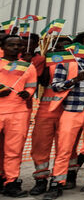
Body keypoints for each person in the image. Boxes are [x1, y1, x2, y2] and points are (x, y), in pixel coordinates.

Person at [44, 31, 84, 199]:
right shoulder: (66, 63)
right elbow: (56, 86)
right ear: (78, 45)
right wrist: (74, 80)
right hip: (71, 111)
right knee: (64, 148)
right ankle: (57, 182)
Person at [29, 35, 76, 196]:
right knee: (40, 144)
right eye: (60, 47)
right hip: (47, 108)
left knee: (65, 147)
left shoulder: (78, 62)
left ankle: (59, 181)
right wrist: (44, 61)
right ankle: (41, 179)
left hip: (69, 108)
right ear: (54, 48)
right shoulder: (48, 59)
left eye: (67, 47)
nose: (63, 50)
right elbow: (40, 82)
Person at [0, 35, 38, 197]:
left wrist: (27, 93)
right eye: (11, 45)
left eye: (19, 45)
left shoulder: (27, 67)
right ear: (3, 46)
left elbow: (32, 86)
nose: (15, 48)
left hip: (18, 113)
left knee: (13, 151)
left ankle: (11, 182)